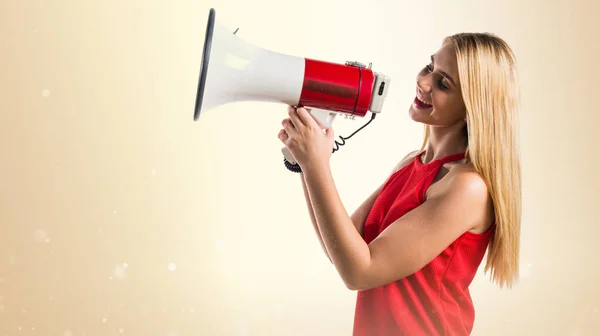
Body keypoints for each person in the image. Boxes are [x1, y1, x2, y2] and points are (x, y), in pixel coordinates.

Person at [277, 32, 522, 336]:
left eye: (444, 84)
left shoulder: (467, 187)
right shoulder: (412, 163)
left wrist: (316, 164)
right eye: (429, 68)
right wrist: (304, 159)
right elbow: (342, 249)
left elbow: (359, 272)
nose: (424, 82)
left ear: (473, 108)